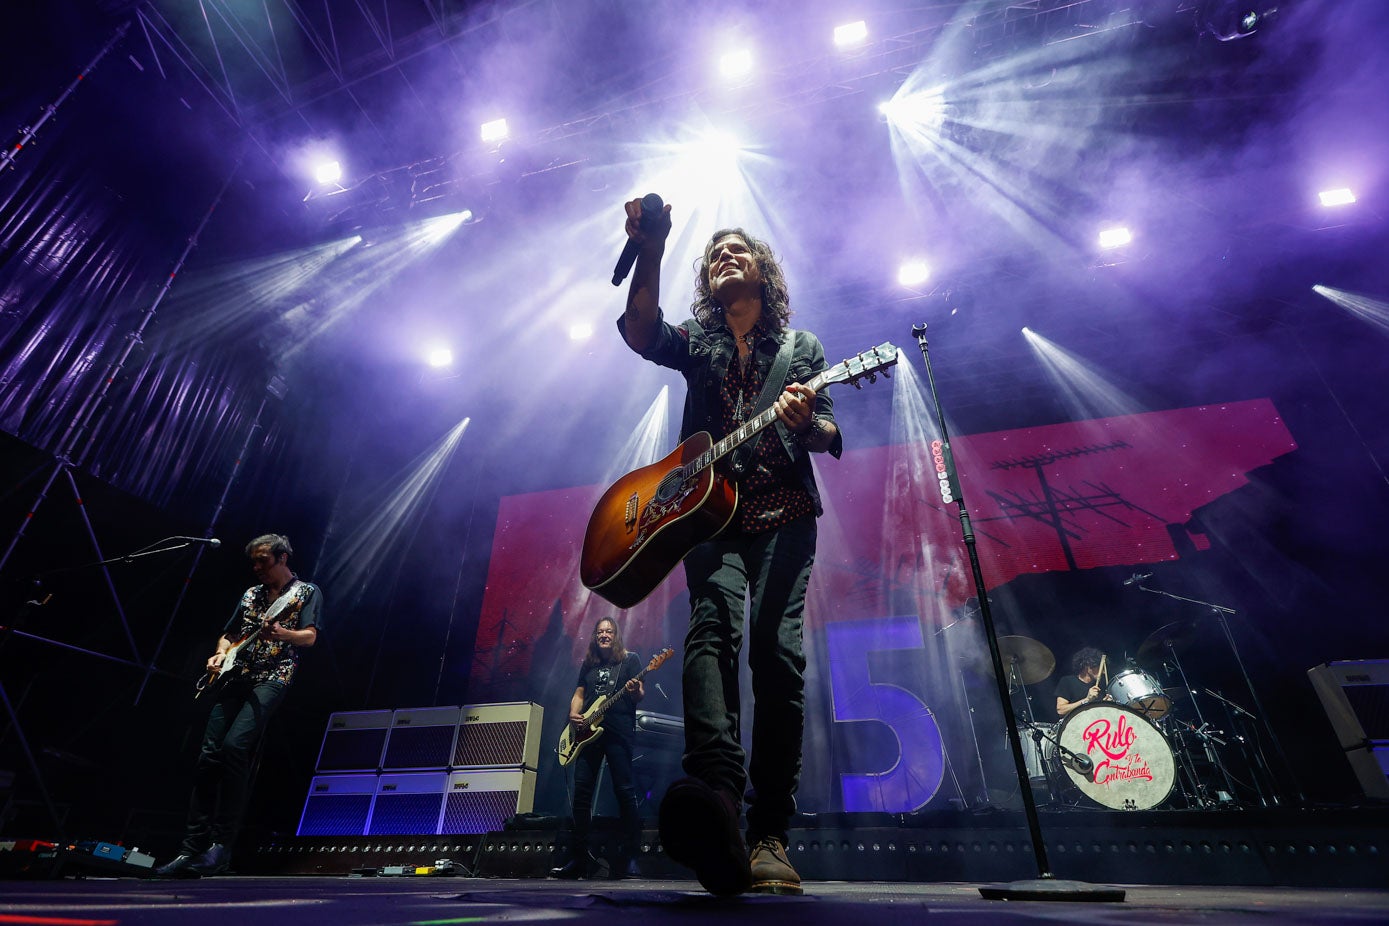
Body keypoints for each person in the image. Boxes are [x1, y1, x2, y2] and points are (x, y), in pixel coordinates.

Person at [616, 198, 842, 896]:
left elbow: (828, 434)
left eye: (736, 251)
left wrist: (808, 423)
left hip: (784, 512)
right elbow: (639, 329)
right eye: (713, 255)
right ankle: (716, 797)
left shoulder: (799, 349)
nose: (723, 259)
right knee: (708, 634)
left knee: (775, 652)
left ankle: (769, 831)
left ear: (761, 272)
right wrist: (649, 247)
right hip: (711, 521)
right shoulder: (700, 345)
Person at [155, 533, 322, 877]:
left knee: (235, 747)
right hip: (237, 676)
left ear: (282, 558)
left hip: (274, 676)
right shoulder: (251, 594)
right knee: (208, 755)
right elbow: (229, 634)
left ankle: (221, 846)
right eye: (254, 561)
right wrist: (219, 653)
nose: (257, 567)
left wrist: (283, 635)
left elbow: (310, 636)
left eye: (263, 560)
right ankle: (191, 848)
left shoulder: (306, 592)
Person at [550, 617, 644, 879]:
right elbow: (579, 693)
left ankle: (631, 857)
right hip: (585, 734)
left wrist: (635, 690)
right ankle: (580, 859)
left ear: (616, 635)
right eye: (600, 631)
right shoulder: (589, 663)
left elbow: (639, 696)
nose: (604, 635)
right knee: (582, 794)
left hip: (618, 732)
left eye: (609, 631)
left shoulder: (630, 659)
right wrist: (573, 713)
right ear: (595, 636)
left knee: (624, 791)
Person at [1055, 646, 1110, 719]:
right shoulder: (1068, 681)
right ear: (1088, 666)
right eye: (1099, 667)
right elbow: (1061, 710)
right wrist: (1086, 700)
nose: (1103, 672)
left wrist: (1106, 704)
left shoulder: (1101, 685)